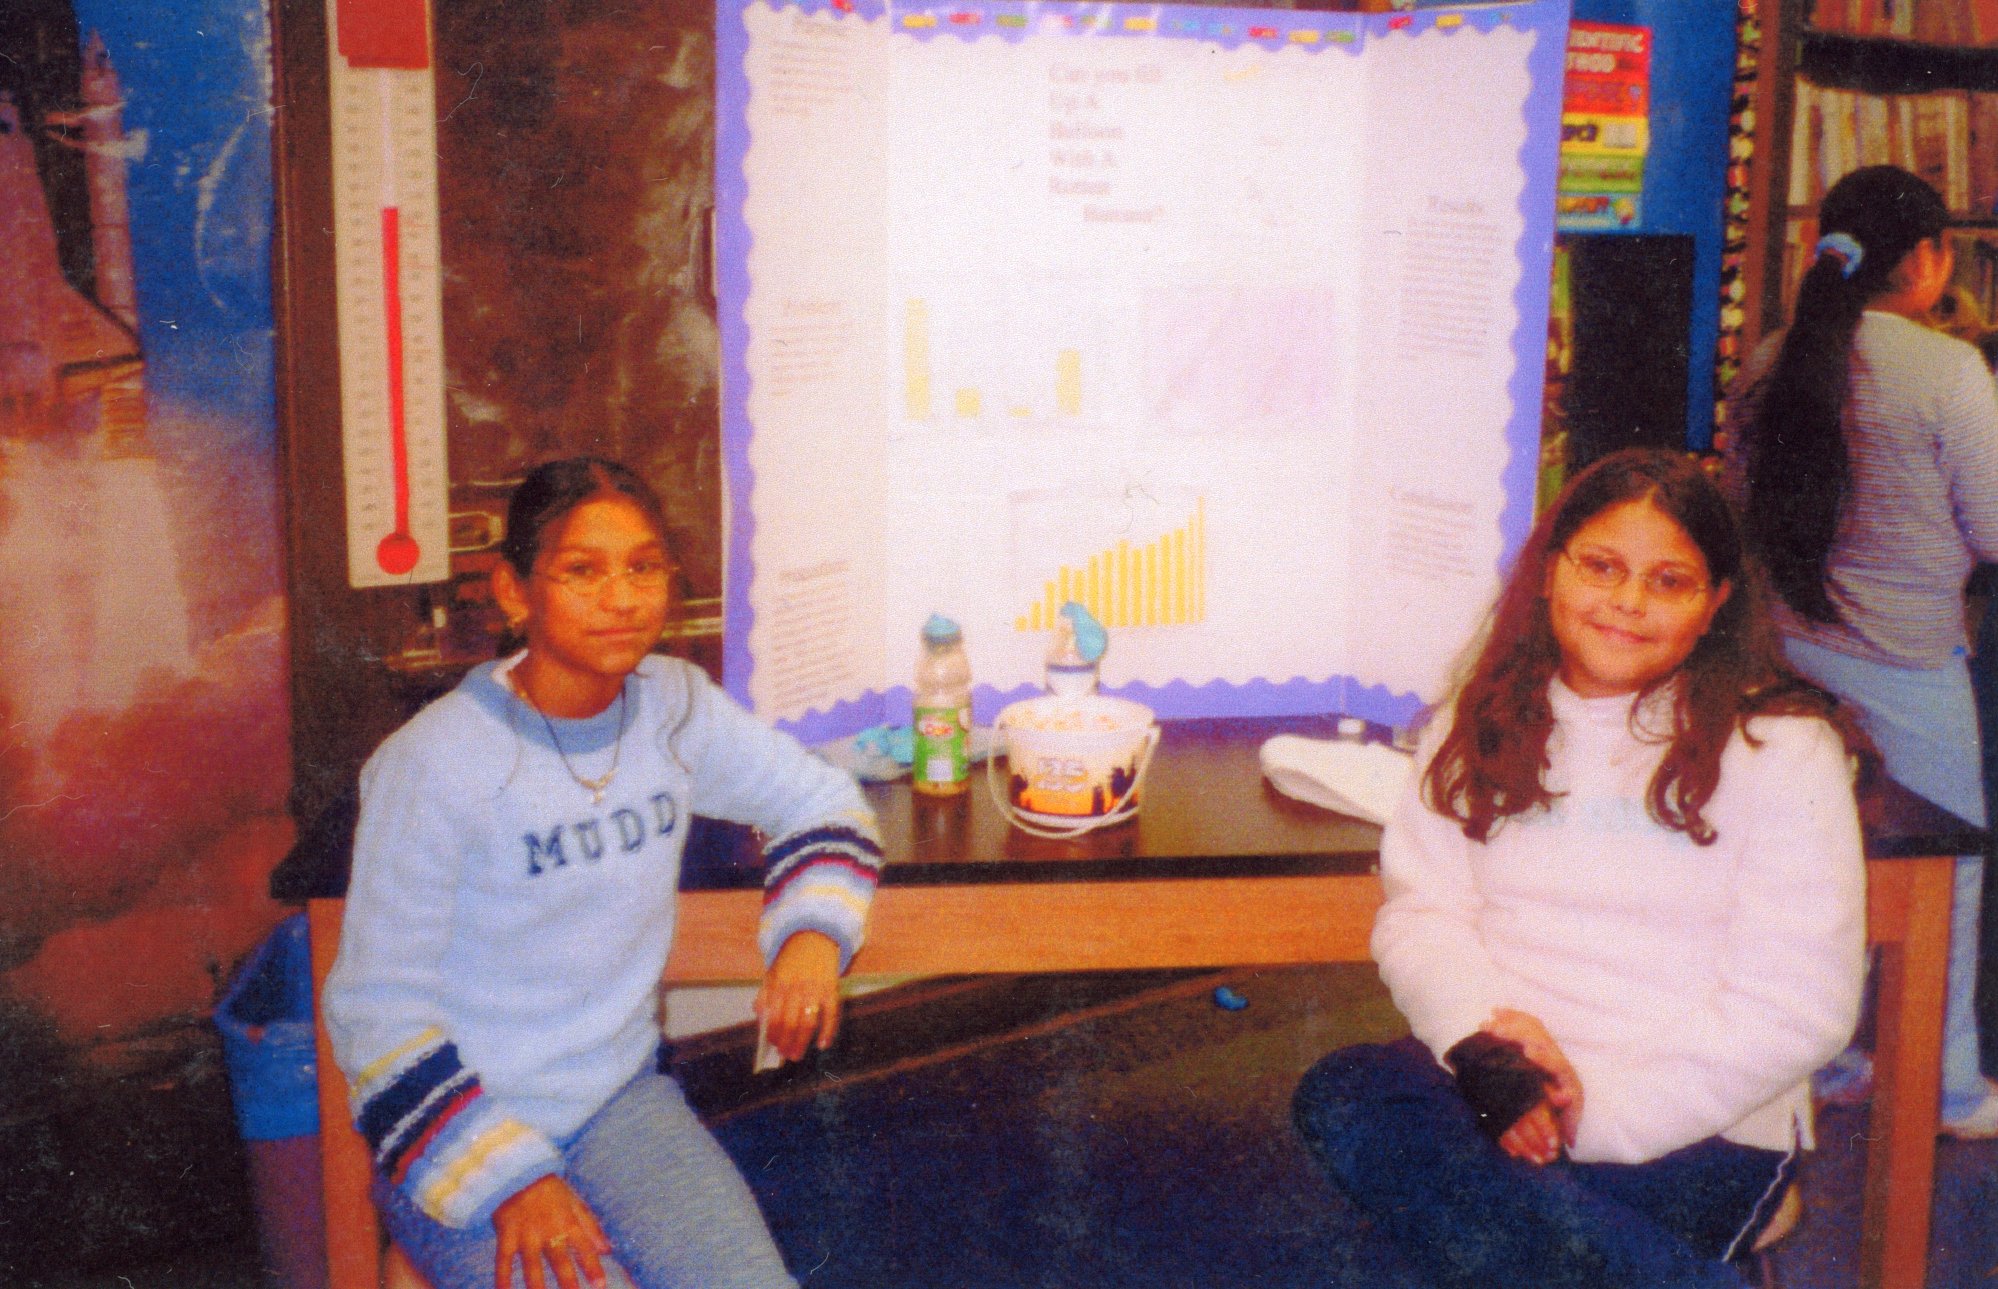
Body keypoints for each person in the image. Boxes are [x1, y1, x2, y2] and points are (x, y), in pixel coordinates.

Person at [1293, 449, 1868, 1288]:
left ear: (1715, 603)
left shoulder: (1781, 747)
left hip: (1692, 1123)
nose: (1628, 601)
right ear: (1549, 571)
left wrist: (1594, 1107)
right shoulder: (1474, 719)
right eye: (1601, 566)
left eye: (1669, 581)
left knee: (1466, 1203)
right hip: (1500, 1097)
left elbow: (1798, 1007)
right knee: (1344, 1091)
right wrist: (1489, 1059)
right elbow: (1424, 913)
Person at [323, 457, 884, 1289]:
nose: (622, 598)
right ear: (514, 591)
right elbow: (376, 1013)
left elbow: (824, 802)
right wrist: (515, 1182)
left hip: (619, 1106)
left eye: (643, 566)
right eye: (583, 571)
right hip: (462, 1140)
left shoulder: (672, 704)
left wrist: (811, 935)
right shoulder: (434, 764)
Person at [1723, 164, 1998, 1136]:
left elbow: (1743, 504)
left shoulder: (1770, 359)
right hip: (1908, 669)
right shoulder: (1947, 372)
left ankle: (1830, 1056)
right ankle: (1947, 1088)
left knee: (1811, 872)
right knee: (1944, 880)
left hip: (1786, 655)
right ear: (1927, 260)